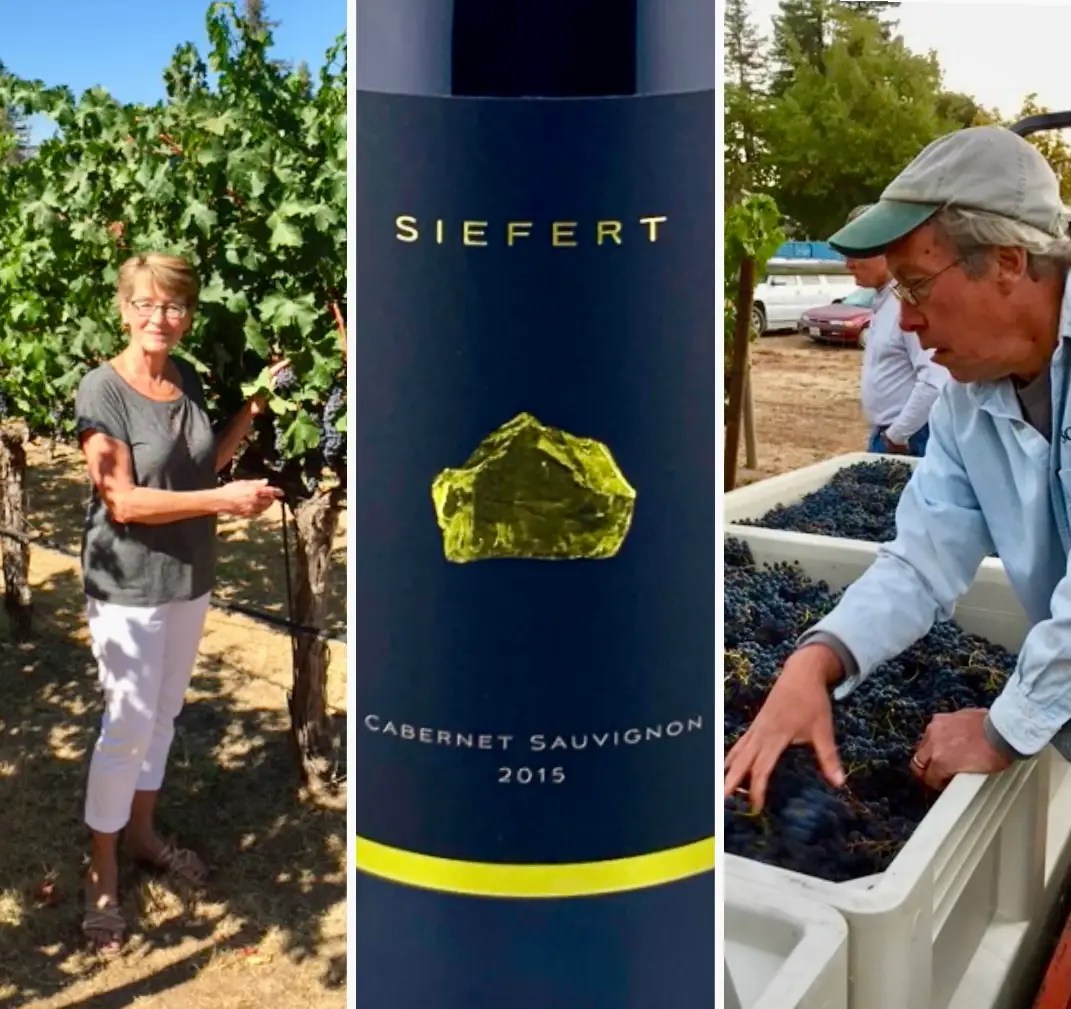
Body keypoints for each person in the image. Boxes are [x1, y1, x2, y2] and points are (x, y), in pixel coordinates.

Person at [724, 124, 1071, 813]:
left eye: (914, 287)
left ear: (1005, 261)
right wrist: (816, 660)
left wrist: (1003, 728)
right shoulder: (968, 397)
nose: (904, 321)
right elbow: (921, 557)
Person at [74, 252, 288, 952]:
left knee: (162, 716)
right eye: (145, 303)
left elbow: (207, 465)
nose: (159, 318)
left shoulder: (185, 379)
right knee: (126, 723)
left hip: (189, 577)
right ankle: (100, 870)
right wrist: (224, 503)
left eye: (173, 306)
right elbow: (124, 500)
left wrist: (253, 405)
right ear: (122, 307)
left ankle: (141, 835)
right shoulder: (101, 390)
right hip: (128, 586)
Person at [842, 205, 949, 457]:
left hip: (910, 439)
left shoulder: (908, 303)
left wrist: (897, 435)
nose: (848, 265)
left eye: (857, 253)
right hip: (890, 433)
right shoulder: (884, 302)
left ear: (885, 251)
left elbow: (934, 382)